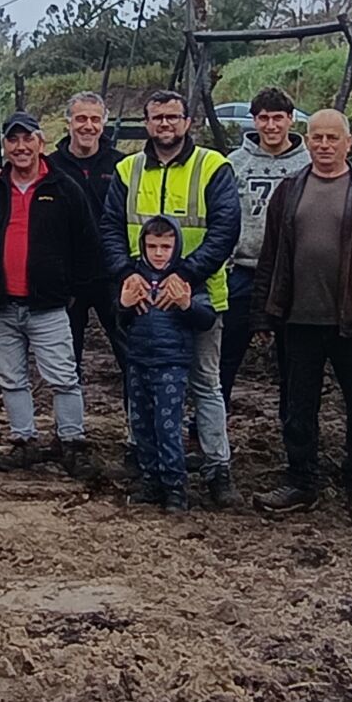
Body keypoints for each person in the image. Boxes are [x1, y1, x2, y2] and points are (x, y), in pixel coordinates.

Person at [249, 109, 352, 528]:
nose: (323, 145)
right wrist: (264, 314)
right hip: (298, 322)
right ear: (307, 142)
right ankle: (301, 481)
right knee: (297, 408)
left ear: (348, 143)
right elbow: (271, 257)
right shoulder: (289, 190)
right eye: (316, 138)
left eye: (332, 138)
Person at [99, 89, 242, 509]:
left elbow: (225, 229)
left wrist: (184, 275)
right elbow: (110, 228)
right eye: (158, 117)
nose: (165, 124)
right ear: (146, 123)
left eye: (173, 117)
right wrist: (127, 275)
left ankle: (217, 469)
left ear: (187, 122)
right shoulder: (128, 169)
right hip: (142, 298)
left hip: (198, 296)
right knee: (141, 383)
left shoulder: (212, 166)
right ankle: (147, 465)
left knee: (206, 384)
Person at [0, 112, 100, 474]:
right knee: (11, 379)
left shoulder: (65, 189)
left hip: (47, 306)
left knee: (63, 377)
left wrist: (74, 291)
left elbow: (87, 245)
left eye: (27, 139)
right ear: (4, 146)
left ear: (41, 142)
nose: (20, 147)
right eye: (13, 140)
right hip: (0, 305)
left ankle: (72, 442)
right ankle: (23, 441)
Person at [117, 216, 216, 513]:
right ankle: (151, 481)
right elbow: (120, 320)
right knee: (141, 425)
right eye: (152, 247)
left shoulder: (186, 280)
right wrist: (122, 305)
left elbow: (206, 319)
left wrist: (186, 304)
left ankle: (175, 487)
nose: (158, 253)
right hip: (137, 361)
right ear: (143, 246)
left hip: (171, 364)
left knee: (167, 427)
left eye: (165, 247)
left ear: (176, 247)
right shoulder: (134, 277)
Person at [223, 87, 311, 408]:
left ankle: (293, 428)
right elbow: (223, 216)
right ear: (254, 121)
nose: (271, 126)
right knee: (224, 356)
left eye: (277, 118)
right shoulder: (235, 163)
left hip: (292, 277)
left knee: (294, 362)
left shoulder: (309, 163)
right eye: (263, 118)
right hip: (243, 273)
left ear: (290, 119)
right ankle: (207, 427)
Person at [46, 91, 128, 395]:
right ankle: (69, 420)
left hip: (113, 274)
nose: (88, 126)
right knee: (66, 361)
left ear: (104, 122)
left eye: (95, 119)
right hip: (67, 279)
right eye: (81, 118)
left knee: (129, 355)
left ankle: (137, 420)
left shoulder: (122, 165)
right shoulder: (50, 167)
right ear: (68, 122)